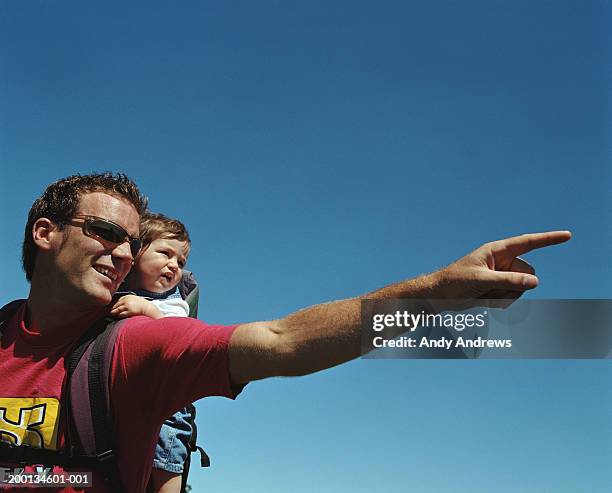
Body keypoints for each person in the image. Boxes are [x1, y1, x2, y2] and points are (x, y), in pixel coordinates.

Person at [0, 172, 571, 492]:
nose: (123, 252)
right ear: (45, 233)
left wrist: (438, 292)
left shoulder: (135, 343)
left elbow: (283, 341)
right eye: (105, 231)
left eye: (131, 241)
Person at [110, 211, 195, 493]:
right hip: (123, 398)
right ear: (136, 253)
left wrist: (147, 310)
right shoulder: (112, 289)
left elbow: (178, 338)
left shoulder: (173, 304)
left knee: (167, 455)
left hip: (165, 403)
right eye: (165, 254)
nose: (174, 265)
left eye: (180, 261)